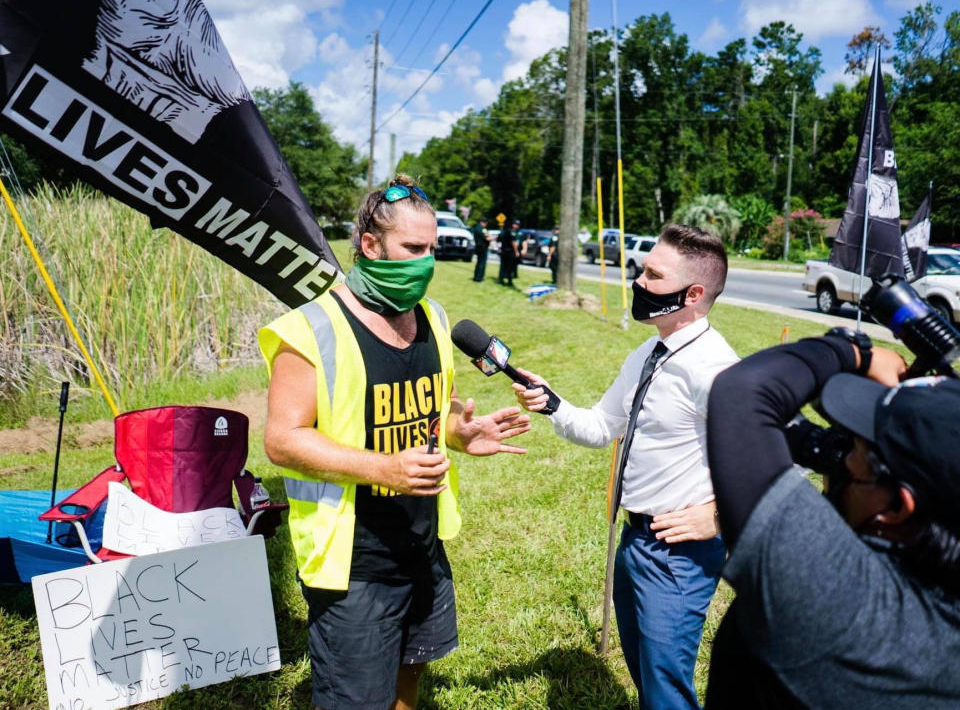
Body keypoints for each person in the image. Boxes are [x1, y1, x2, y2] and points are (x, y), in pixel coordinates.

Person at [259, 174, 531, 710]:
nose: (426, 262)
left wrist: (460, 432)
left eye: (431, 248)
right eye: (413, 248)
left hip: (422, 546)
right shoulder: (308, 330)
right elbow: (282, 441)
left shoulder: (433, 317)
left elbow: (435, 411)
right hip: (354, 564)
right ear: (370, 245)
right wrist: (383, 469)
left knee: (409, 683)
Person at [513, 224, 737, 709]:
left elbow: (774, 459)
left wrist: (717, 515)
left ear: (692, 293)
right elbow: (600, 426)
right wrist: (551, 403)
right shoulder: (647, 353)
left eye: (653, 275)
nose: (638, 282)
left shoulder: (714, 368)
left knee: (666, 691)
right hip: (634, 540)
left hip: (678, 553)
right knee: (646, 676)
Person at [705, 329, 960, 708]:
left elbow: (744, 394)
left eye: (856, 450)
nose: (842, 460)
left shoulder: (852, 608)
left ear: (896, 509)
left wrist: (853, 352)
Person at [498, 219, 518, 286]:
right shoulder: (512, 232)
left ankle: (500, 280)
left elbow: (499, 239)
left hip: (503, 251)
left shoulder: (504, 231)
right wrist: (516, 251)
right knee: (510, 267)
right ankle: (509, 281)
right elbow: (513, 242)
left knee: (502, 266)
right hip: (509, 252)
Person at [472, 216, 490, 282]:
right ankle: (479, 278)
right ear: (484, 222)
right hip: (483, 248)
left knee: (478, 262)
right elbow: (487, 238)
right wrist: (495, 238)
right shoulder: (483, 229)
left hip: (478, 247)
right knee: (482, 263)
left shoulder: (476, 228)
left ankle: (476, 276)